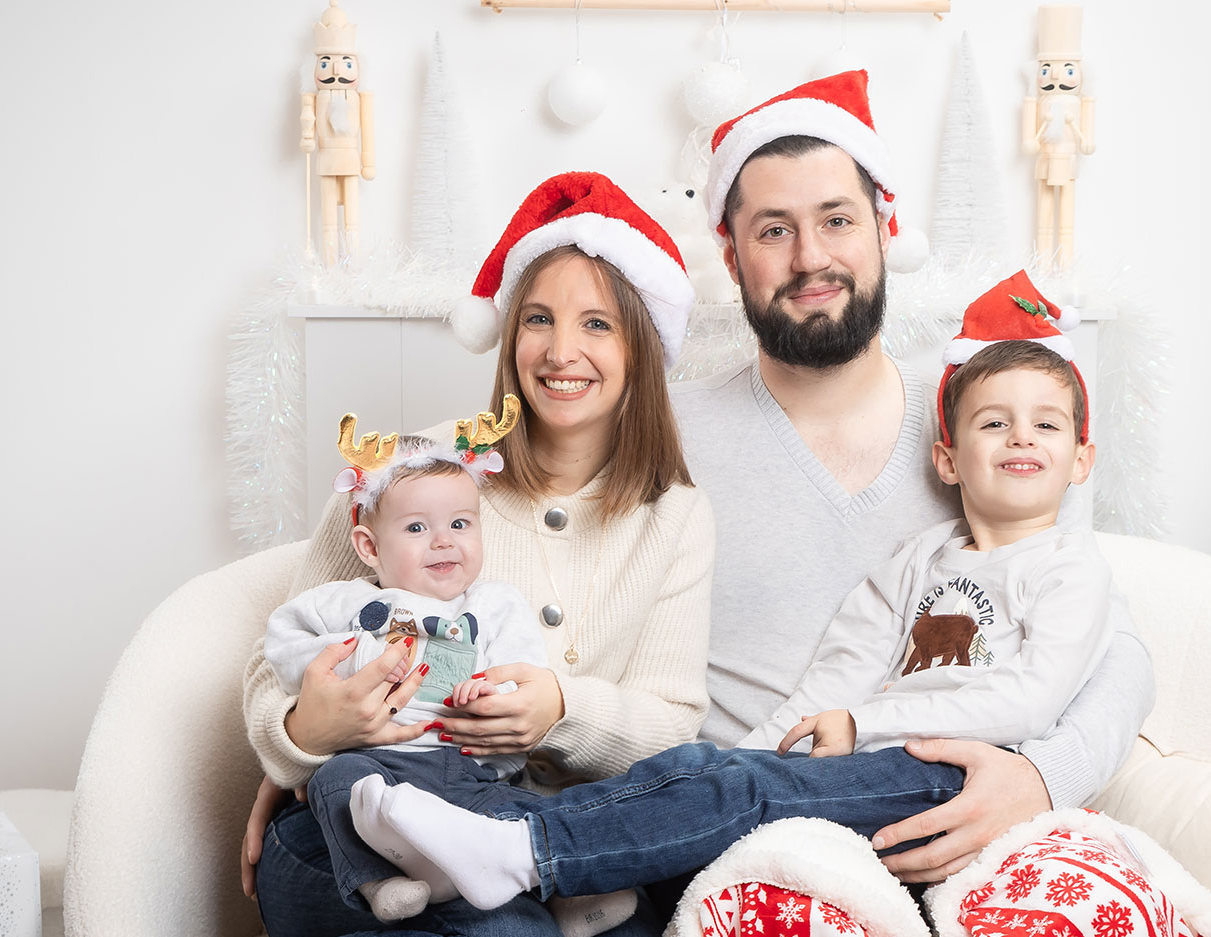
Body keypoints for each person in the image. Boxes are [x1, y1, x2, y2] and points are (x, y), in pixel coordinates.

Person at [347, 277, 1125, 912]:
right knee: (710, 769)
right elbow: (840, 670)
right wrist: (752, 756)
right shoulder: (920, 556)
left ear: (1082, 456)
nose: (1021, 437)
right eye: (996, 423)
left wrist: (873, 726)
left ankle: (518, 852)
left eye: (1046, 426)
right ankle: (525, 855)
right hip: (862, 773)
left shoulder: (1069, 565)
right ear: (949, 457)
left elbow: (1040, 693)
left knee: (742, 787)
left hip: (954, 772)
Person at [675, 70, 1155, 885]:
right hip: (762, 850)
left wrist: (1043, 779)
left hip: (960, 832)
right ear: (729, 256)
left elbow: (1121, 650)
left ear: (884, 226)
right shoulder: (672, 430)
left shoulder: (988, 414)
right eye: (772, 231)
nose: (812, 258)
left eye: (836, 220)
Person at [243, 172, 714, 937]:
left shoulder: (677, 515)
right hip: (371, 829)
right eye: (538, 318)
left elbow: (673, 725)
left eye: (598, 324)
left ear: (642, 344)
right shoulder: (411, 471)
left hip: (553, 837)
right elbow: (273, 669)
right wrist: (303, 733)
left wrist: (561, 711)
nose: (563, 351)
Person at [263, 414, 606, 923]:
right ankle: (379, 885)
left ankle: (572, 894)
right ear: (369, 547)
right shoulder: (348, 602)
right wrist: (348, 658)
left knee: (518, 814)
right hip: (380, 763)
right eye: (417, 527)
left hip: (464, 768)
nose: (444, 540)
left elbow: (523, 671)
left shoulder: (493, 605)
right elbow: (280, 638)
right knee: (332, 784)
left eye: (460, 524)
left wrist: (493, 694)